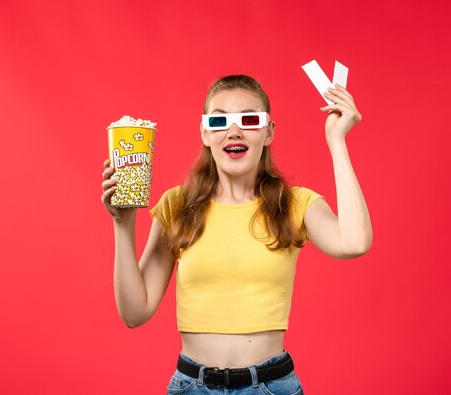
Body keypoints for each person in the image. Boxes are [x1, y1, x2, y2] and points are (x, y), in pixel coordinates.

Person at [101, 75, 372, 394]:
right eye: (219, 120)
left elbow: (354, 243)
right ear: (205, 132)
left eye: (249, 119)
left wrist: (337, 141)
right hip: (193, 387)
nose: (234, 131)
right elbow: (134, 312)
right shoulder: (177, 206)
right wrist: (123, 223)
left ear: (268, 132)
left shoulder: (293, 203)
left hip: (271, 387)